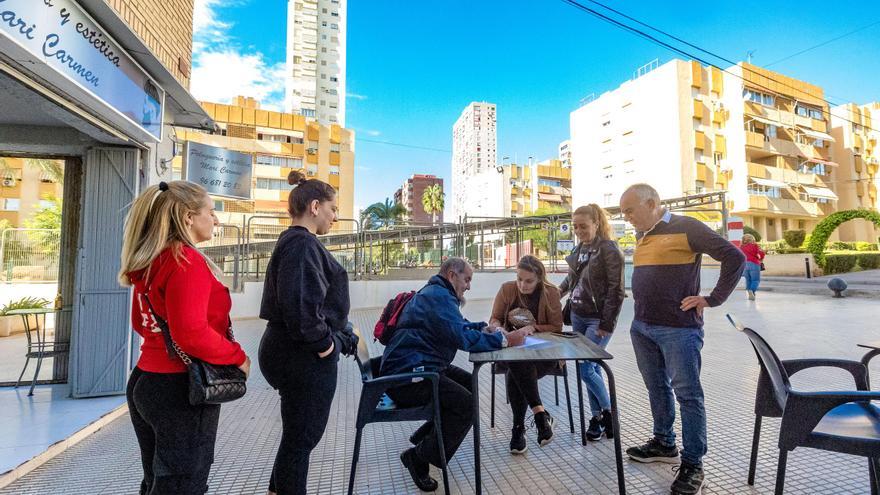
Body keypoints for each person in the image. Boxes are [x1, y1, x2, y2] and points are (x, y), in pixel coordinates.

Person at [119, 180, 251, 494]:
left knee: (157, 479)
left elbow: (141, 322)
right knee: (184, 484)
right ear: (189, 217)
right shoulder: (186, 262)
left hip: (146, 381)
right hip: (179, 388)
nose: (216, 219)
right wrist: (238, 357)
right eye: (211, 211)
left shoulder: (153, 259)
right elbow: (191, 333)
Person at [619, 184, 744, 495]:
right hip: (642, 327)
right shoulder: (641, 234)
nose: (627, 217)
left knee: (688, 395)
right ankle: (663, 442)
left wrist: (712, 299)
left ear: (651, 203)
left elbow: (735, 257)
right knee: (656, 387)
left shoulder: (686, 227)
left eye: (630, 210)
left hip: (678, 329)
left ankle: (693, 464)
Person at [380, 258, 531, 492]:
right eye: (467, 279)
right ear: (452, 275)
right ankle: (418, 457)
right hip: (408, 378)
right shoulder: (438, 297)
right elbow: (463, 339)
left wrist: (484, 328)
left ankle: (427, 438)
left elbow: (459, 325)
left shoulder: (437, 293)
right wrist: (505, 339)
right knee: (466, 405)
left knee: (469, 385)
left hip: (420, 366)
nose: (469, 286)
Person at [259, 171, 358, 495]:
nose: (335, 216)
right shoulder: (301, 244)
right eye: (332, 209)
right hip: (300, 354)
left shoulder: (298, 243)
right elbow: (300, 306)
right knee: (302, 439)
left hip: (292, 350)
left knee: (297, 438)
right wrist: (325, 346)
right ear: (315, 206)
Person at [558, 204, 625, 442]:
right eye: (575, 226)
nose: (578, 230)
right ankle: (597, 419)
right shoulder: (579, 249)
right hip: (577, 314)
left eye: (583, 226)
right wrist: (556, 294)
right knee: (590, 368)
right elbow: (571, 278)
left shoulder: (608, 249)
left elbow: (616, 289)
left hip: (597, 318)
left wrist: (606, 324)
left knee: (586, 368)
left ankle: (609, 414)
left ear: (597, 223)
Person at [488, 255, 563, 454]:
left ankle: (518, 430)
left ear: (539, 278)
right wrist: (499, 330)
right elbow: (494, 318)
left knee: (517, 366)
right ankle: (540, 416)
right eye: (519, 279)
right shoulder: (507, 289)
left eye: (529, 281)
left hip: (544, 355)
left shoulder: (551, 293)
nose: (522, 285)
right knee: (517, 361)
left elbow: (557, 326)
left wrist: (533, 327)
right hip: (513, 351)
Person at [739, 234, 765, 300]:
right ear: (752, 239)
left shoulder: (741, 247)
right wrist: (761, 258)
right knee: (756, 280)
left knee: (748, 280)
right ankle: (752, 291)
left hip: (744, 265)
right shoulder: (755, 246)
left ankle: (750, 293)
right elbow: (761, 253)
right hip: (754, 264)